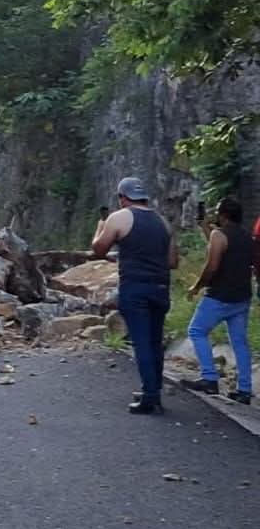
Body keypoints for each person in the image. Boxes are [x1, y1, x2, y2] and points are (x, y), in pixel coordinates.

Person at [91, 176, 177, 414]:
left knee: (141, 343)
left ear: (122, 198)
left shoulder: (118, 218)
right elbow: (172, 261)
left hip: (135, 287)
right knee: (154, 341)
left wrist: (99, 229)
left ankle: (150, 397)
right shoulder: (162, 222)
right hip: (161, 288)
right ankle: (153, 389)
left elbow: (98, 249)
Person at [185, 195, 253, 404]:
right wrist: (206, 229)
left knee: (196, 331)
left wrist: (196, 286)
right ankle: (244, 390)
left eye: (217, 211)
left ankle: (209, 378)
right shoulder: (246, 236)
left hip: (219, 296)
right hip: (241, 297)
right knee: (240, 343)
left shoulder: (219, 234)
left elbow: (213, 265)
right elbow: (226, 250)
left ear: (223, 214)